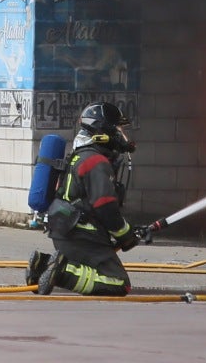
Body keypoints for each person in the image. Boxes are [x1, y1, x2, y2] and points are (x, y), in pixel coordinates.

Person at [26, 101, 145, 297]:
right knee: (118, 283)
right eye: (118, 129)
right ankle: (61, 272)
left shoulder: (82, 155)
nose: (122, 135)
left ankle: (43, 265)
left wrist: (127, 233)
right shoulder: (96, 161)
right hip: (81, 233)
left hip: (67, 229)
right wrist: (125, 235)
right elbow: (105, 206)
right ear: (104, 129)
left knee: (102, 274)